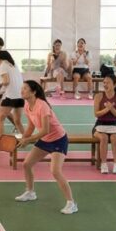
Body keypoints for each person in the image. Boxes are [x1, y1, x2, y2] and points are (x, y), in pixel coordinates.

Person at [15, 80, 78, 215]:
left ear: (33, 92)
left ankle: (71, 203)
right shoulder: (27, 105)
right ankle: (30, 192)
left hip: (58, 140)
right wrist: (23, 138)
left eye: (25, 88)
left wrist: (28, 140)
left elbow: (45, 130)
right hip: (45, 140)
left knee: (55, 171)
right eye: (22, 88)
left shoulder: (42, 106)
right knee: (27, 164)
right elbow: (31, 127)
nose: (22, 91)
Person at [0, 51, 23, 149]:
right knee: (17, 121)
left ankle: (0, 144)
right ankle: (26, 140)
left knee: (0, 119)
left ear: (0, 58)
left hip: (10, 96)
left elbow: (6, 81)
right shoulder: (14, 65)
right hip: (20, 96)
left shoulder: (3, 65)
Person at [93, 73, 116, 174]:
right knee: (104, 138)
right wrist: (107, 109)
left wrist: (111, 109)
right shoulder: (98, 96)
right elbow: (96, 114)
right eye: (104, 82)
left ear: (114, 85)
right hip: (100, 124)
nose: (105, 85)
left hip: (114, 124)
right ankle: (103, 164)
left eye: (108, 83)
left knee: (114, 138)